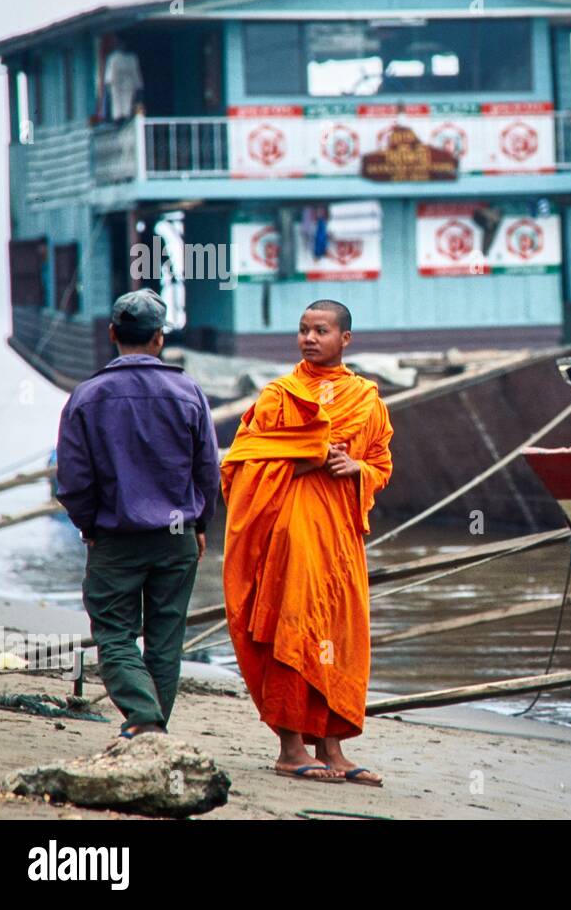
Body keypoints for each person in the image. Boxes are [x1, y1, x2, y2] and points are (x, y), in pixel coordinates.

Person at [220, 300, 393, 785]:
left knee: (337, 635)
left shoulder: (367, 399)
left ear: (345, 340)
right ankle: (291, 747)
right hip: (289, 535)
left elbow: (379, 461)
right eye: (303, 331)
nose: (310, 338)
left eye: (320, 330)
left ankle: (331, 747)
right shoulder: (280, 396)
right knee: (293, 631)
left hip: (339, 541)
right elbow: (243, 463)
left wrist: (358, 469)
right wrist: (310, 459)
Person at [55, 289, 219, 738]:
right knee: (166, 638)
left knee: (114, 632)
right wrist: (199, 523)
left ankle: (145, 721)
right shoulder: (188, 392)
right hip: (176, 536)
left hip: (115, 537)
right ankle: (151, 726)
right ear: (159, 339)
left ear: (112, 334)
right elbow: (208, 471)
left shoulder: (86, 397)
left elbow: (72, 481)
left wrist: (90, 527)